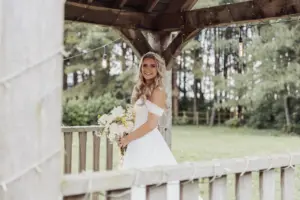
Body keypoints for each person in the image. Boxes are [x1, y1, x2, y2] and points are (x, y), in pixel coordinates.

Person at [118, 52, 179, 200]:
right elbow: (137, 118)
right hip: (136, 142)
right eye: (144, 65)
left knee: (152, 187)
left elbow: (151, 124)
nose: (148, 69)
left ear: (158, 68)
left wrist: (128, 139)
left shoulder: (158, 91)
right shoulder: (140, 89)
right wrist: (123, 129)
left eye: (152, 65)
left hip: (148, 143)